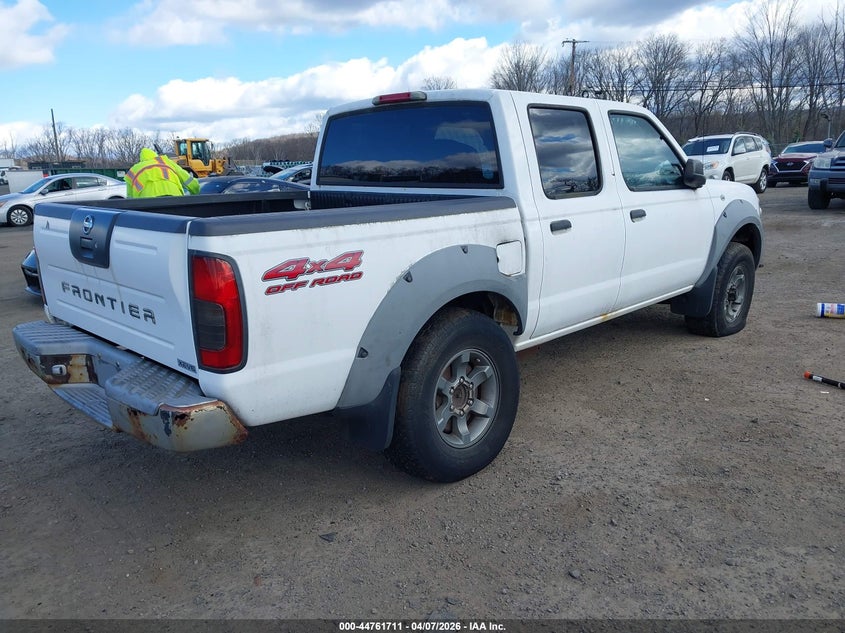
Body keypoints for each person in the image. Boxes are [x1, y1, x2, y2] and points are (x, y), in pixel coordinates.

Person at [124, 147, 200, 198]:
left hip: (147, 203)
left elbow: (130, 199)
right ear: (155, 156)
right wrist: (196, 193)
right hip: (174, 198)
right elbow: (188, 180)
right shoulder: (165, 161)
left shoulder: (134, 170)